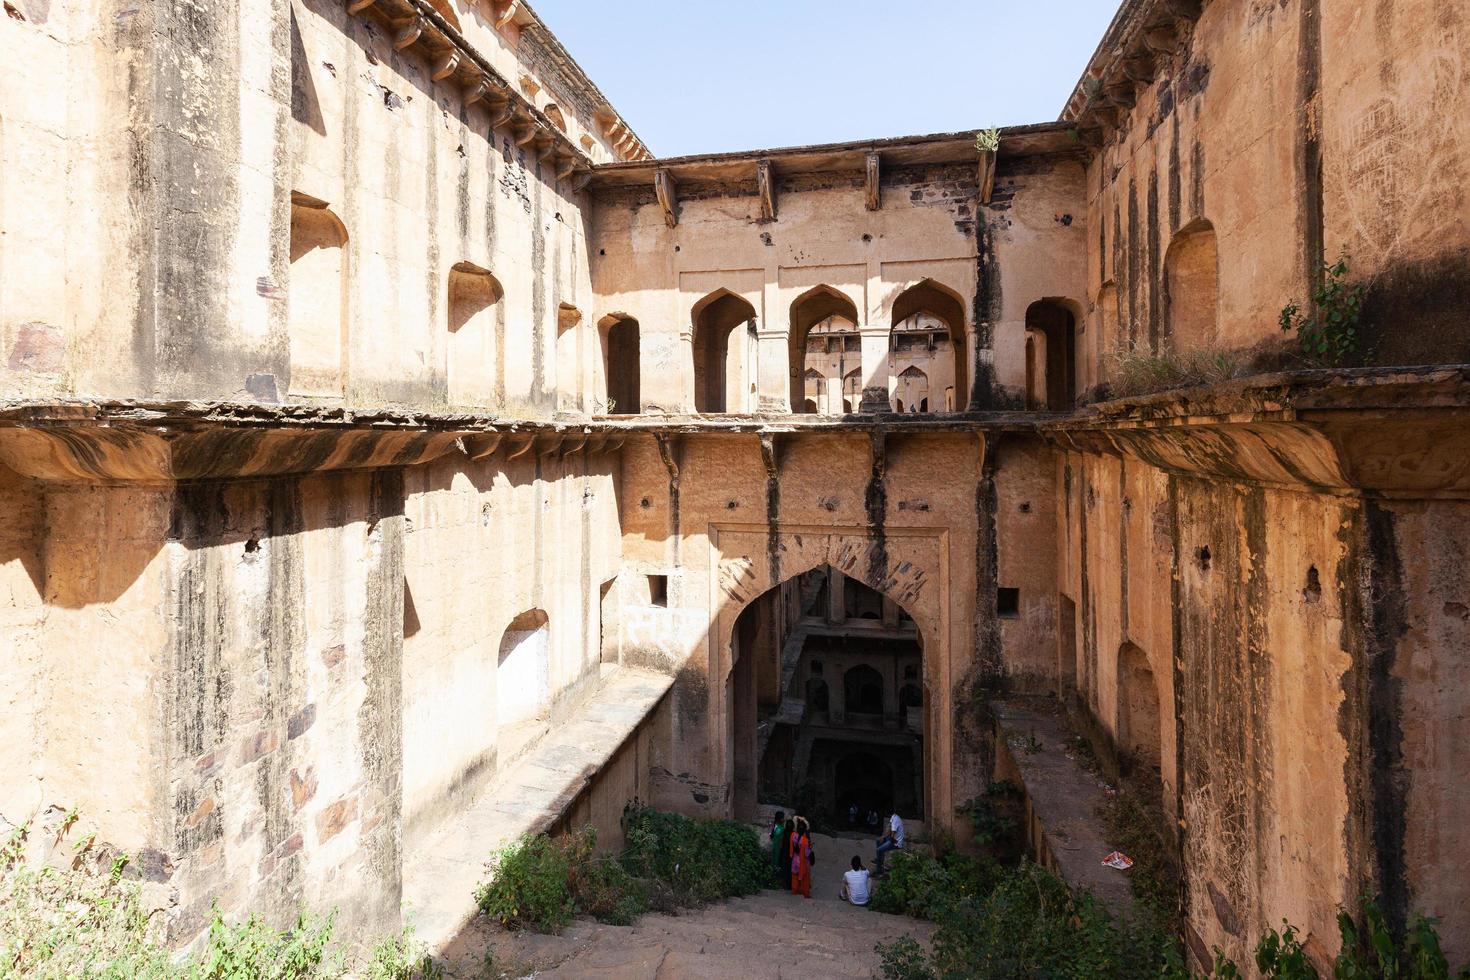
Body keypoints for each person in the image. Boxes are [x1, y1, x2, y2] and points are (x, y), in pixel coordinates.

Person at [789, 816, 814, 899]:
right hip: (802, 862)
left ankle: (794, 891)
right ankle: (805, 893)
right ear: (804, 830)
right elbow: (807, 854)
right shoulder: (805, 841)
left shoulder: (793, 835)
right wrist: (810, 848)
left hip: (795, 860)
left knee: (794, 877)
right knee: (805, 879)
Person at [874, 809, 905, 875]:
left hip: (896, 842)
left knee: (879, 850)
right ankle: (880, 860)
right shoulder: (893, 817)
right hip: (893, 838)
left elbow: (893, 833)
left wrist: (887, 839)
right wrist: (883, 837)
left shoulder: (895, 820)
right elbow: (889, 830)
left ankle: (879, 871)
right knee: (878, 841)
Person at [770, 811, 790, 889]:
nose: (784, 819)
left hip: (777, 848)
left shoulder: (776, 826)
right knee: (777, 863)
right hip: (778, 849)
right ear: (779, 819)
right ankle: (776, 881)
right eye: (783, 818)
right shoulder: (780, 829)